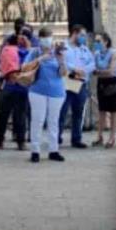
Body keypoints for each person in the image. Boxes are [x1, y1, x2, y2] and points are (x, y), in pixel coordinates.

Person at [24, 28, 67, 163]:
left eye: (49, 37)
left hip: (56, 92)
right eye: (44, 37)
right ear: (40, 39)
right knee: (37, 120)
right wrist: (41, 58)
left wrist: (61, 61)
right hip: (37, 91)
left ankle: (53, 150)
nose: (47, 40)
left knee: (54, 121)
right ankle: (35, 151)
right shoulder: (35, 52)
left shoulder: (58, 52)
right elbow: (24, 67)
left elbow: (63, 73)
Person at [0, 26, 32, 151]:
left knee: (7, 115)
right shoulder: (24, 52)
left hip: (12, 86)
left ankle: (2, 141)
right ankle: (19, 142)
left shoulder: (10, 50)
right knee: (17, 115)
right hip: (19, 86)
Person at [58, 24, 95, 149]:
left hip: (81, 83)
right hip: (67, 82)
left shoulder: (84, 49)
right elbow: (61, 62)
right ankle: (57, 137)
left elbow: (92, 63)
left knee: (78, 113)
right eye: (82, 35)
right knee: (62, 111)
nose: (84, 38)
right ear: (74, 33)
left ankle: (76, 138)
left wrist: (83, 70)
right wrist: (75, 69)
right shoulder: (64, 46)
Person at [94, 32, 116, 148]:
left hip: (113, 83)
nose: (96, 44)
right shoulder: (96, 53)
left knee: (113, 110)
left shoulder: (114, 53)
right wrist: (98, 72)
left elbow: (111, 70)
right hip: (102, 83)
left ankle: (112, 137)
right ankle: (99, 136)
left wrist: (97, 72)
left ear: (106, 41)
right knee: (101, 110)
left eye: (98, 41)